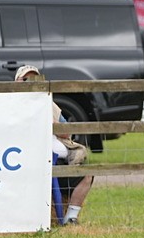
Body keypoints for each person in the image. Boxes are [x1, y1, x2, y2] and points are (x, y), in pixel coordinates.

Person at [15, 65, 93, 225]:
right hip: (24, 163)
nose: (29, 83)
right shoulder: (10, 105)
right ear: (16, 82)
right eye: (25, 79)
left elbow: (67, 133)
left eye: (34, 79)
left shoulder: (49, 105)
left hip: (57, 161)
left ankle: (70, 217)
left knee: (87, 173)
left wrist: (52, 123)